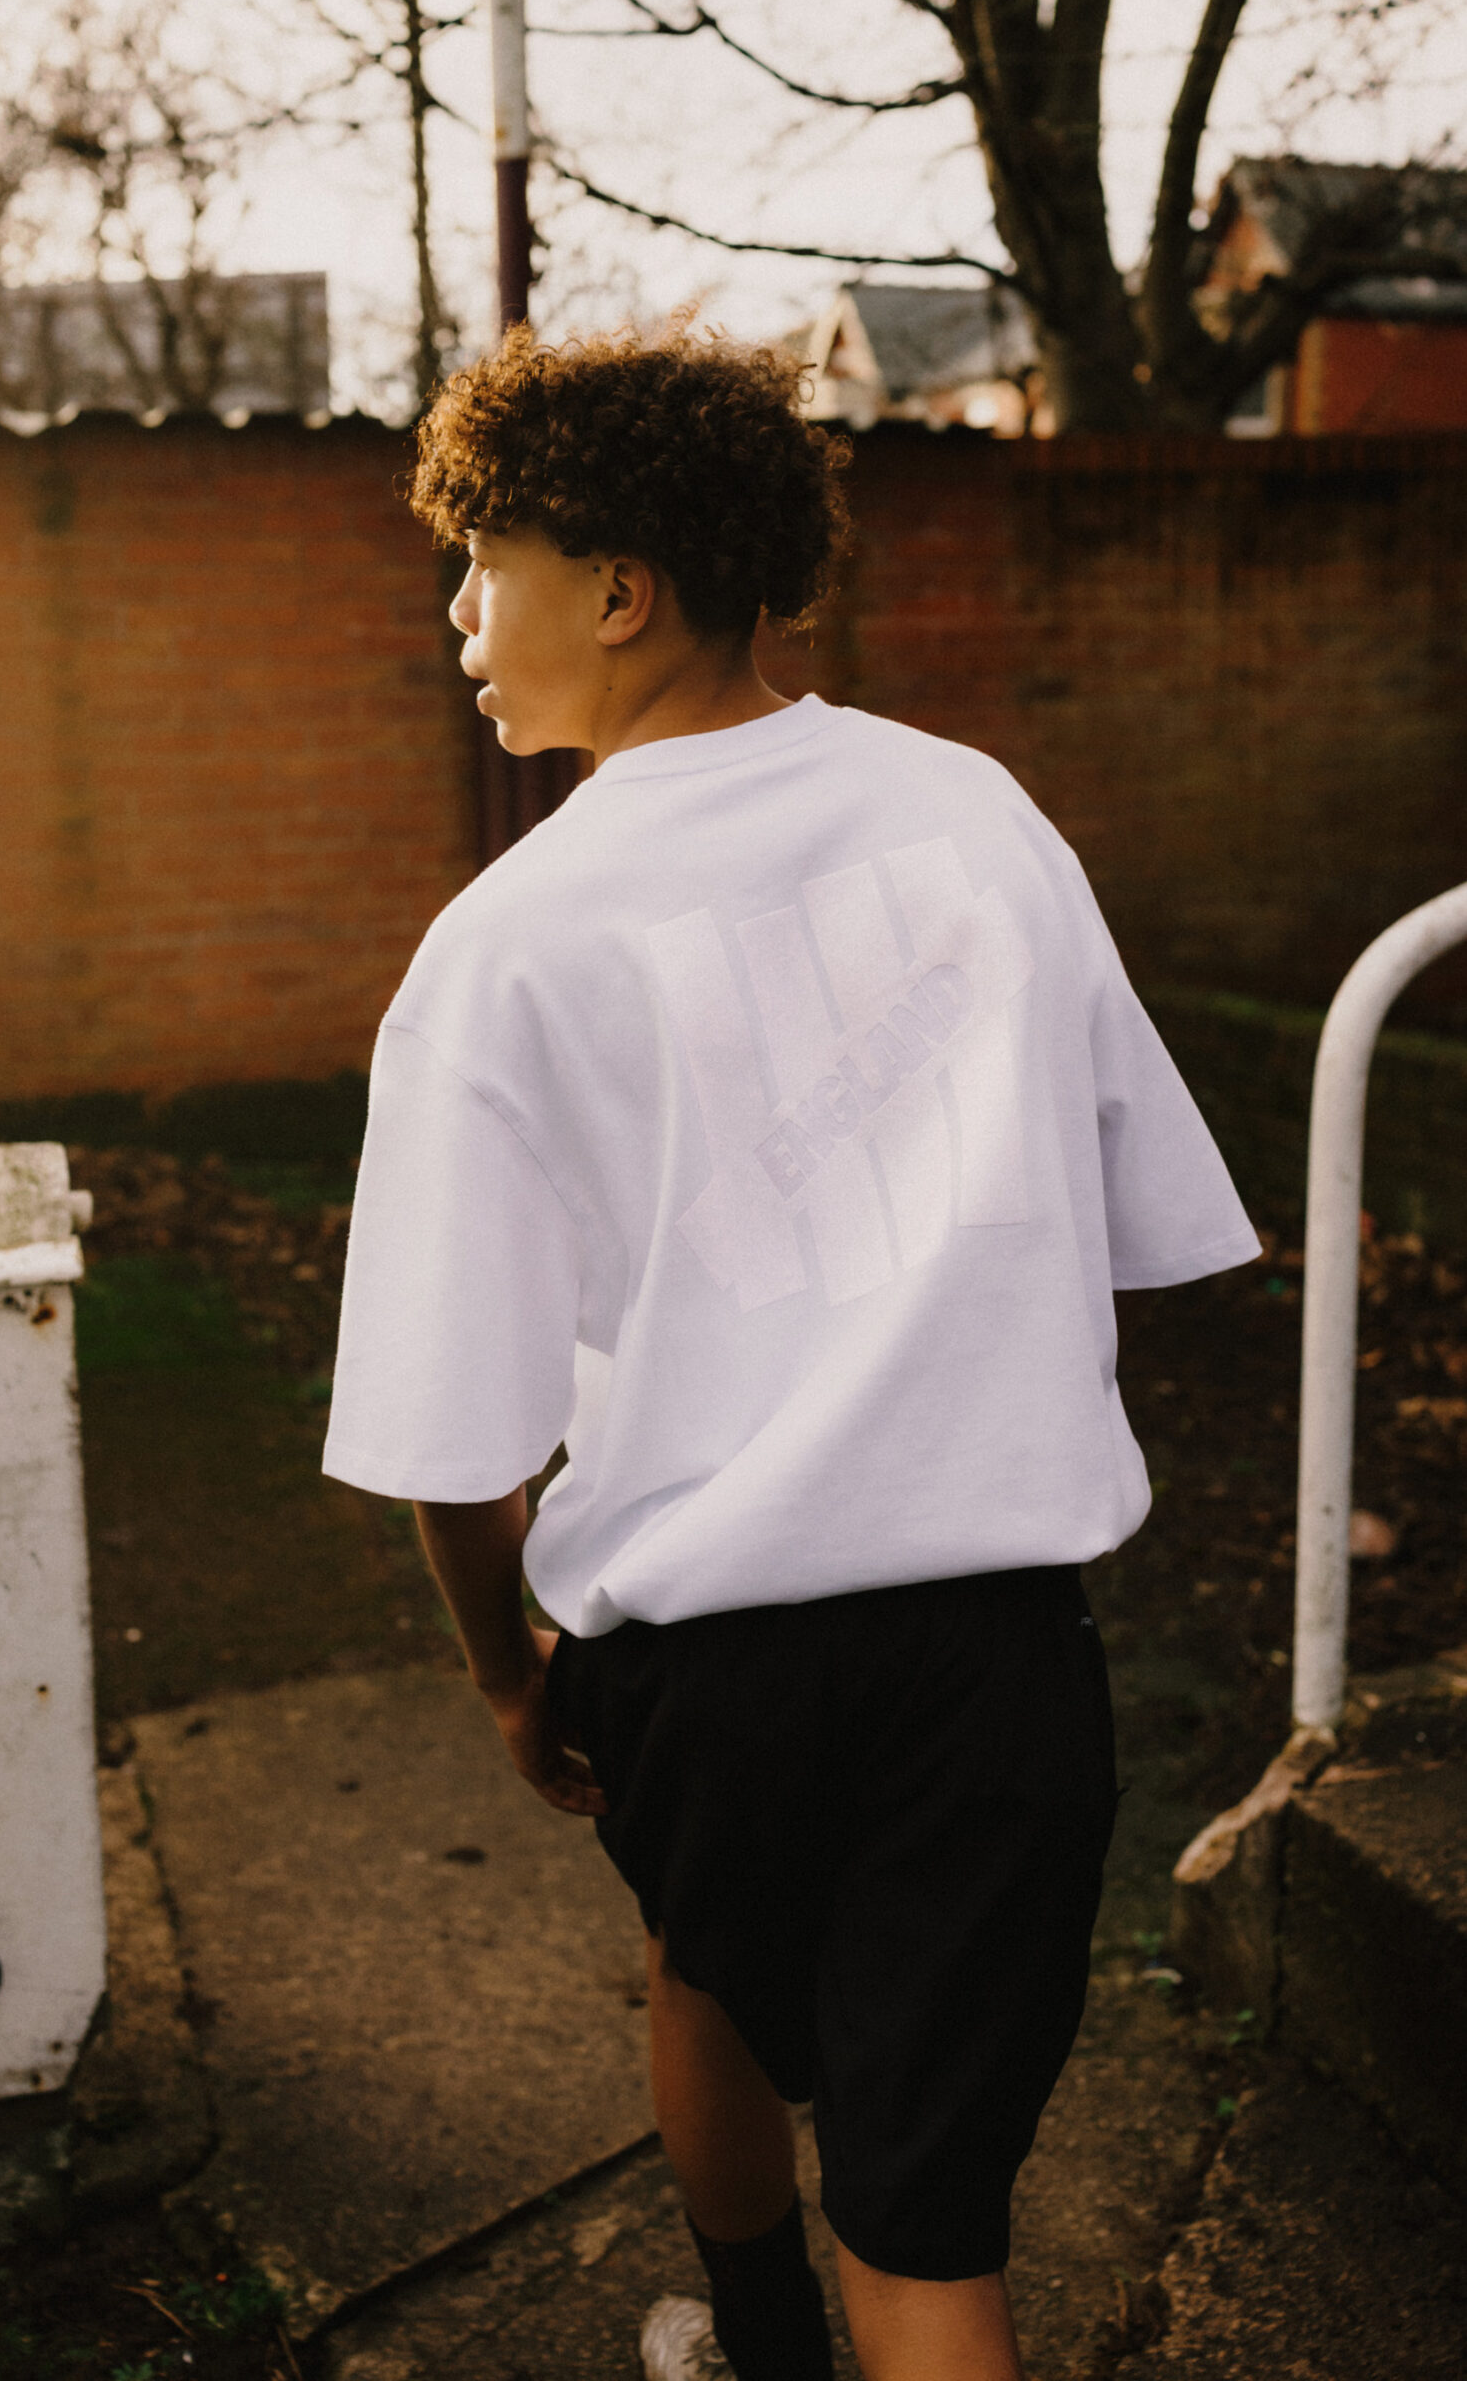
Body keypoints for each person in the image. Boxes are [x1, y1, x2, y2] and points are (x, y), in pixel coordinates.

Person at [322, 326, 1259, 2381]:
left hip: (706, 1670)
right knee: (924, 2216)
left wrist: (508, 1676)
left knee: (706, 1963)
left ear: (618, 588)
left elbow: (450, 1441)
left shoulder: (502, 946)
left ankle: (758, 2340)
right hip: (999, 1656)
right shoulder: (976, 817)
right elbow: (1131, 1213)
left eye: (483, 562)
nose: (457, 613)